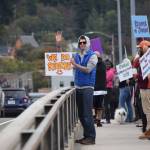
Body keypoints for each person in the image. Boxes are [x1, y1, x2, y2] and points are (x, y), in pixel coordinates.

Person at [71, 35, 98, 145]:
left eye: (83, 42)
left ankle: (91, 137)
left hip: (87, 87)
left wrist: (75, 65)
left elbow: (87, 70)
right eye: (80, 42)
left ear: (87, 43)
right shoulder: (76, 55)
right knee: (81, 114)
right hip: (78, 87)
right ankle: (86, 136)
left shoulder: (93, 56)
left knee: (87, 113)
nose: (81, 44)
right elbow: (74, 69)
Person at [135, 40, 150, 139]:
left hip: (147, 87)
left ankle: (149, 131)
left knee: (147, 110)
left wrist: (137, 76)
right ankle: (148, 130)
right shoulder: (143, 58)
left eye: (140, 48)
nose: (139, 50)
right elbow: (135, 63)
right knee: (147, 110)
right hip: (144, 86)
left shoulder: (147, 58)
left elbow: (145, 75)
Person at [93, 51, 106, 127]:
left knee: (94, 104)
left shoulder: (95, 65)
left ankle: (96, 118)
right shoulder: (103, 64)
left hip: (95, 87)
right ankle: (98, 120)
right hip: (101, 88)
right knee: (99, 105)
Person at [104, 59, 115, 123]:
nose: (107, 65)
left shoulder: (111, 72)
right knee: (106, 104)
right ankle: (108, 118)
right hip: (106, 88)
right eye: (106, 64)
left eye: (108, 64)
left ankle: (108, 119)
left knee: (106, 104)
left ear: (111, 65)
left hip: (108, 89)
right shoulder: (106, 71)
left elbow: (106, 80)